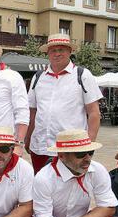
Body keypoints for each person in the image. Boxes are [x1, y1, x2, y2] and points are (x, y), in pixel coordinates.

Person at [25, 33, 103, 174]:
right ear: (48, 53)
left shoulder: (82, 75)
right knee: (42, 188)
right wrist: (28, 138)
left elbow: (94, 113)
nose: (57, 53)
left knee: (70, 189)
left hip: (71, 148)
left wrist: (89, 146)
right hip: (40, 146)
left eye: (61, 49)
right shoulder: (38, 77)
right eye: (53, 50)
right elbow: (33, 112)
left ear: (70, 51)